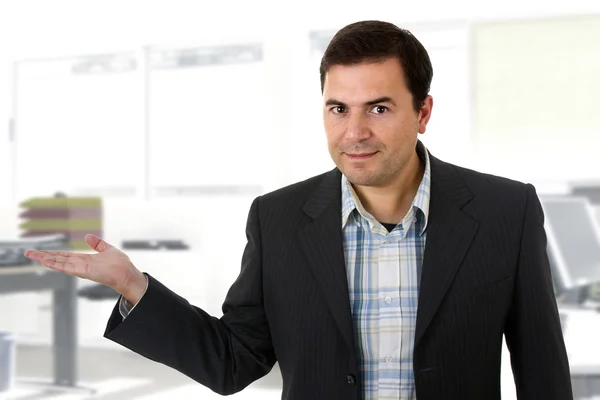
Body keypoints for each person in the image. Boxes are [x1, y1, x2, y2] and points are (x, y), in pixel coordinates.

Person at [24, 20, 573, 400]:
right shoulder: (279, 219)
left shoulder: (506, 210)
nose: (353, 132)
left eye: (378, 108)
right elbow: (233, 360)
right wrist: (134, 286)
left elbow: (543, 374)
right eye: (338, 108)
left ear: (422, 111)